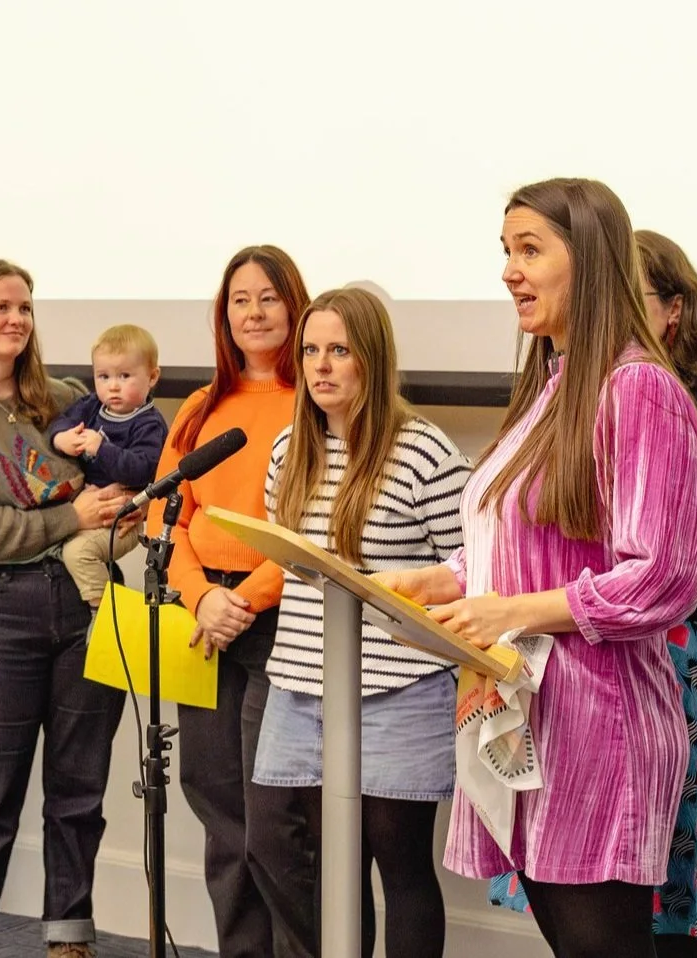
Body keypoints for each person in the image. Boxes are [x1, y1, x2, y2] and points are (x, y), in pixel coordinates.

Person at [376, 178, 697, 958]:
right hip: (531, 716)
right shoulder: (554, 386)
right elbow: (526, 534)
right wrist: (449, 577)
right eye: (506, 252)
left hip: (600, 729)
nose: (508, 272)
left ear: (588, 261)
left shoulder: (640, 391)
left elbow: (660, 576)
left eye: (530, 251)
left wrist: (510, 611)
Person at [486, 231, 697, 951]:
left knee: (672, 898)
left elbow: (675, 557)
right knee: (598, 896)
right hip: (575, 653)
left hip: (672, 656)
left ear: (673, 311)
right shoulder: (567, 395)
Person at [0, 260, 132, 958]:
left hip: (87, 604)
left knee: (80, 786)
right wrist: (73, 518)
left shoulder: (67, 401)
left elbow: (122, 487)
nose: (16, 319)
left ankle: (70, 931)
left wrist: (116, 514)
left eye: (26, 308)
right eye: (1, 306)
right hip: (0, 609)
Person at [250, 288, 468, 957]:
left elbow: (474, 563)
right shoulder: (291, 449)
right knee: (298, 854)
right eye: (311, 350)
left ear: (370, 359)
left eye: (339, 351)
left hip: (398, 690)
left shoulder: (423, 452)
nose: (321, 366)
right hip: (302, 686)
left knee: (394, 862)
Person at [154, 245, 312, 958]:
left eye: (268, 298)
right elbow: (169, 519)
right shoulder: (201, 406)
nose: (253, 312)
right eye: (239, 300)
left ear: (294, 304)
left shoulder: (316, 396)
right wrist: (199, 599)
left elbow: (315, 531)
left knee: (278, 816)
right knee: (218, 807)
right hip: (204, 619)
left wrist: (242, 601)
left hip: (280, 615)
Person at [45, 323, 165, 605]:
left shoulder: (149, 424)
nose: (112, 386)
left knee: (78, 554)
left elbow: (143, 469)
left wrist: (103, 450)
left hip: (122, 520)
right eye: (103, 376)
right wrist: (61, 438)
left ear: (152, 377)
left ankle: (105, 615)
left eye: (124, 376)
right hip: (87, 508)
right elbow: (61, 421)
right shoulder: (91, 406)